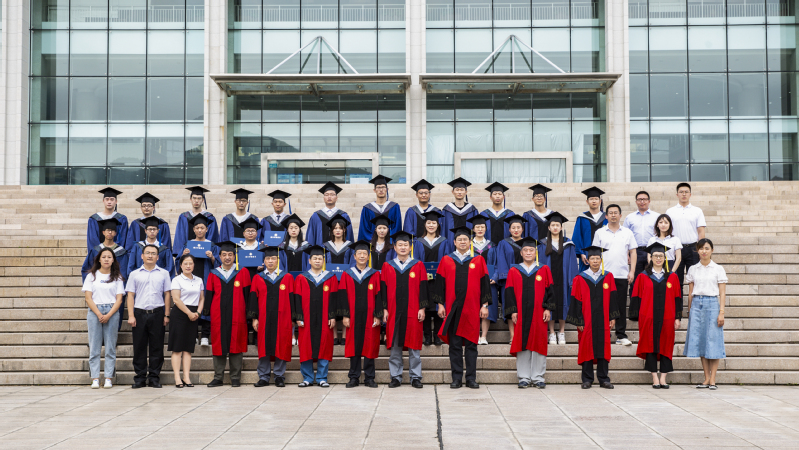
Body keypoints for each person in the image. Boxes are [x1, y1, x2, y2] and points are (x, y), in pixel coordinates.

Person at [434, 226, 491, 389]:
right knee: (455, 345)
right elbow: (439, 284)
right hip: (453, 309)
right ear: (454, 242)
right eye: (459, 239)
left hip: (472, 309)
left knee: (472, 345)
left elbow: (485, 284)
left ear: (470, 241)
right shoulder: (446, 260)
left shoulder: (478, 260)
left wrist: (484, 305)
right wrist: (440, 304)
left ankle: (471, 378)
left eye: (465, 239)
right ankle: (457, 378)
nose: (463, 242)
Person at [504, 237, 555, 389]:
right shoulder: (514, 270)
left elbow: (550, 291)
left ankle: (538, 377)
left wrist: (548, 308)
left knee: (539, 342)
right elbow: (509, 292)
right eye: (525, 250)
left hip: (539, 312)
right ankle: (524, 377)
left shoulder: (544, 269)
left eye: (531, 250)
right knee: (522, 342)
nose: (528, 252)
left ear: (536, 252)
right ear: (521, 253)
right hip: (520, 313)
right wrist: (513, 311)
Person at [630, 243, 682, 389]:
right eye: (655, 256)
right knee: (650, 344)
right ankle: (654, 377)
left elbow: (678, 298)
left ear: (665, 258)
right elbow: (636, 297)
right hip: (648, 317)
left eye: (661, 256)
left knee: (666, 344)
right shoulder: (642, 276)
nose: (658, 258)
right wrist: (637, 316)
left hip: (668, 317)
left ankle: (663, 377)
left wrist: (677, 317)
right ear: (650, 258)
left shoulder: (672, 276)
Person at [381, 230, 429, 389]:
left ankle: (416, 377)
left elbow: (423, 288)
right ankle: (395, 377)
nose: (403, 247)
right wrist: (384, 309)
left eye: (405, 245)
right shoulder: (387, 266)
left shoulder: (418, 265)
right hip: (393, 311)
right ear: (394, 247)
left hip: (413, 310)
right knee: (395, 345)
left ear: (410, 247)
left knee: (414, 344)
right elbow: (383, 289)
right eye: (400, 245)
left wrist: (422, 308)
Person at [567, 246, 619, 390]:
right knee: (586, 347)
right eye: (592, 258)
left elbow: (613, 298)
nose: (595, 261)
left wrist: (612, 316)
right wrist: (579, 320)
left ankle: (603, 379)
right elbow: (576, 300)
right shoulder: (580, 278)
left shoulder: (608, 277)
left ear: (601, 260)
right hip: (586, 319)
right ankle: (587, 379)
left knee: (604, 347)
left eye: (597, 258)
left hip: (603, 319)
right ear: (587, 261)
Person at [204, 241, 252, 388]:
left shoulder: (243, 272)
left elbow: (248, 295)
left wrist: (249, 313)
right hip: (218, 315)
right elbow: (209, 293)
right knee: (218, 344)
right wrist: (206, 312)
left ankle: (235, 377)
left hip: (237, 314)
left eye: (230, 254)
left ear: (234, 256)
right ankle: (218, 377)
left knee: (236, 343)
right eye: (224, 255)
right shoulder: (214, 273)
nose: (227, 257)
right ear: (219, 256)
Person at [125, 244, 173, 389]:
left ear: (158, 257)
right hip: (139, 313)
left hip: (157, 313)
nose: (150, 256)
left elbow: (167, 294)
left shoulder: (164, 273)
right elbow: (130, 295)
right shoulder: (134, 274)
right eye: (147, 253)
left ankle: (154, 377)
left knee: (157, 347)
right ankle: (140, 378)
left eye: (153, 253)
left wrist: (166, 314)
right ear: (142, 256)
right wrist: (131, 315)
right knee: (139, 346)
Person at [683, 239, 727, 390]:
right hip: (696, 304)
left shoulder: (718, 269)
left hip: (712, 304)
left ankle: (713, 379)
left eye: (707, 248)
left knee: (713, 341)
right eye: (701, 248)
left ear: (712, 250)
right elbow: (690, 292)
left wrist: (721, 312)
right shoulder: (693, 269)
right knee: (701, 341)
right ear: (697, 250)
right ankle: (706, 378)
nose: (704, 251)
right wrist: (689, 310)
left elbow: (722, 293)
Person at [591, 204, 637, 347]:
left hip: (622, 274)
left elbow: (633, 252)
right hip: (603, 275)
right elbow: (595, 253)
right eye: (610, 213)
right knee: (602, 305)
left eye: (615, 213)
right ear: (606, 216)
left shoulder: (627, 232)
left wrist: (632, 271)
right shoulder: (600, 232)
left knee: (621, 305)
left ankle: (621, 335)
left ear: (620, 215)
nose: (613, 215)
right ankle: (603, 332)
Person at [293, 245, 339, 388]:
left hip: (325, 318)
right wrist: (298, 317)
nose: (317, 261)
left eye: (320, 258)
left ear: (323, 260)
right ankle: (307, 378)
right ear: (309, 260)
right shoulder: (301, 278)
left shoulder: (330, 277)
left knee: (324, 345)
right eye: (315, 258)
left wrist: (332, 316)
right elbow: (297, 299)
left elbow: (334, 299)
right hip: (306, 318)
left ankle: (322, 377)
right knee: (305, 346)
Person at [248, 246, 294, 388]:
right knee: (264, 345)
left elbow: (292, 299)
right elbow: (253, 299)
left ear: (278, 260)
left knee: (282, 344)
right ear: (264, 261)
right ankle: (264, 376)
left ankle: (279, 376)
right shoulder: (258, 278)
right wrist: (254, 318)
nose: (270, 261)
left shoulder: (287, 277)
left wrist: (293, 318)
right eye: (268, 258)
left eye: (273, 258)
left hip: (283, 317)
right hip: (264, 317)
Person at [339, 240, 382, 388]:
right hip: (353, 315)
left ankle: (369, 377)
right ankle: (354, 377)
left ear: (368, 256)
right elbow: (343, 296)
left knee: (370, 344)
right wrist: (345, 315)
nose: (362, 256)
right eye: (359, 253)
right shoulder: (347, 274)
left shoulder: (375, 274)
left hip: (370, 316)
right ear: (354, 256)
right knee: (354, 345)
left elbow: (379, 295)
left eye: (365, 253)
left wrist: (377, 314)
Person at [82, 247, 125, 389]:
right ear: (99, 259)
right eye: (104, 257)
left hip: (112, 311)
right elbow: (88, 298)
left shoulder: (117, 277)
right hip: (95, 311)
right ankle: (95, 378)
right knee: (94, 346)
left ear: (113, 260)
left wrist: (108, 315)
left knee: (110, 347)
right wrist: (99, 314)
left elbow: (119, 299)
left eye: (109, 257)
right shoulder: (91, 276)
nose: (106, 259)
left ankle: (108, 378)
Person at [176, 214, 220, 347]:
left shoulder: (212, 245)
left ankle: (205, 335)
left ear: (207, 229)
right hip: (191, 281)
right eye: (197, 228)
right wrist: (183, 255)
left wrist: (212, 258)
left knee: (207, 305)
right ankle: (193, 334)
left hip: (207, 280)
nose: (200, 230)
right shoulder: (187, 245)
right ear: (193, 230)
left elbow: (219, 265)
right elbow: (179, 263)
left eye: (202, 228)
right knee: (192, 304)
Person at [537, 212, 578, 346]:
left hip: (563, 279)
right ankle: (551, 333)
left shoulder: (568, 244)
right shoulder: (542, 244)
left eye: (557, 225)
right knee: (549, 303)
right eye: (553, 225)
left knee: (562, 303)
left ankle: (561, 332)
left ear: (561, 227)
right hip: (548, 280)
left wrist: (573, 280)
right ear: (549, 227)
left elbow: (572, 263)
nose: (555, 227)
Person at [169, 254, 205, 388]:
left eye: (190, 263)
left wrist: (198, 312)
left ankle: (186, 377)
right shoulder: (177, 280)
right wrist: (189, 313)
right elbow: (176, 299)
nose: (188, 266)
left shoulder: (199, 280)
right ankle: (177, 378)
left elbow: (202, 298)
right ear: (181, 265)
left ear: (194, 265)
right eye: (185, 263)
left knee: (188, 348)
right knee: (177, 348)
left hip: (194, 314)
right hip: (180, 314)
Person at [666, 183, 707, 288]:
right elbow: (666, 231)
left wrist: (700, 249)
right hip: (676, 249)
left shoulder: (697, 211)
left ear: (690, 194)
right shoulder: (670, 211)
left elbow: (701, 231)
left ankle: (694, 299)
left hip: (693, 248)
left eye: (686, 192)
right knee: (676, 279)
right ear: (677, 194)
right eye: (681, 192)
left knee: (694, 279)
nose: (684, 194)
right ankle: (677, 299)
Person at [419, 210, 450, 346]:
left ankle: (437, 335)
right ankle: (427, 336)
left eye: (434, 223)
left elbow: (447, 260)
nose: (431, 225)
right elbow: (416, 261)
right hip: (424, 280)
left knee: (439, 304)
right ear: (425, 225)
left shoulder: (444, 241)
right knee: (425, 304)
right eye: (429, 223)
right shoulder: (419, 242)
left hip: (439, 279)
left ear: (438, 225)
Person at [496, 214, 528, 343]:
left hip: (526, 279)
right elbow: (501, 261)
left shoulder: (528, 243)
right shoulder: (503, 243)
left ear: (522, 229)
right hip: (509, 280)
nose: (516, 230)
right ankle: (513, 336)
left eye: (518, 227)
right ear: (509, 229)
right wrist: (506, 276)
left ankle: (523, 334)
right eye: (513, 227)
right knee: (510, 306)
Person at [467, 215, 498, 346]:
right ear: (473, 229)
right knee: (473, 307)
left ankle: (483, 336)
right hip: (471, 281)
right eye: (477, 227)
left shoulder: (492, 246)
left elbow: (497, 264)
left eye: (482, 227)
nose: (480, 229)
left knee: (487, 307)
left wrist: (495, 277)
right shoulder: (467, 244)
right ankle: (475, 335)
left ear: (486, 229)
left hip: (488, 282)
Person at [623, 190, 659, 296]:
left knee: (651, 280)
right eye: (639, 199)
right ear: (636, 202)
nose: (642, 202)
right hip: (636, 252)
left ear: (649, 201)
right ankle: (635, 305)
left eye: (644, 199)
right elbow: (625, 236)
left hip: (651, 252)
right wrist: (627, 253)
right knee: (635, 281)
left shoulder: (656, 216)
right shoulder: (630, 217)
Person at [173, 186, 220, 258]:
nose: (196, 201)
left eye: (199, 198)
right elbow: (180, 237)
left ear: (203, 200)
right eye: (194, 198)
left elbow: (212, 236)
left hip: (205, 255)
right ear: (190, 199)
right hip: (188, 255)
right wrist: (182, 252)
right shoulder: (183, 217)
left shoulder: (209, 217)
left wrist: (206, 251)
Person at [82, 217, 129, 282]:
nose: (110, 232)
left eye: (112, 230)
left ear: (115, 233)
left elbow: (124, 272)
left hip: (116, 284)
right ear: (103, 232)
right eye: (108, 230)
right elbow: (87, 269)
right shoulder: (95, 251)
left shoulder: (121, 252)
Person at [358, 175, 402, 241]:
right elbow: (364, 229)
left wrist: (389, 241)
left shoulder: (394, 207)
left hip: (390, 244)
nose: (381, 190)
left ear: (387, 189)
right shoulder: (367, 209)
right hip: (373, 244)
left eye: (383, 187)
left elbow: (397, 227)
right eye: (378, 187)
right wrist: (374, 241)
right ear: (374, 190)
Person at [573, 186, 607, 272]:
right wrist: (581, 253)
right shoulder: (582, 218)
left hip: (604, 255)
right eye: (591, 199)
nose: (594, 201)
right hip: (586, 256)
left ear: (600, 201)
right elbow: (577, 236)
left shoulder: (606, 217)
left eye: (596, 199)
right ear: (587, 201)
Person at [441, 177, 478, 242]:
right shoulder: (447, 210)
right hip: (450, 243)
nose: (459, 192)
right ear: (453, 192)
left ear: (466, 192)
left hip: (468, 243)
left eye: (462, 190)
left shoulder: (472, 210)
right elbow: (443, 229)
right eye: (457, 190)